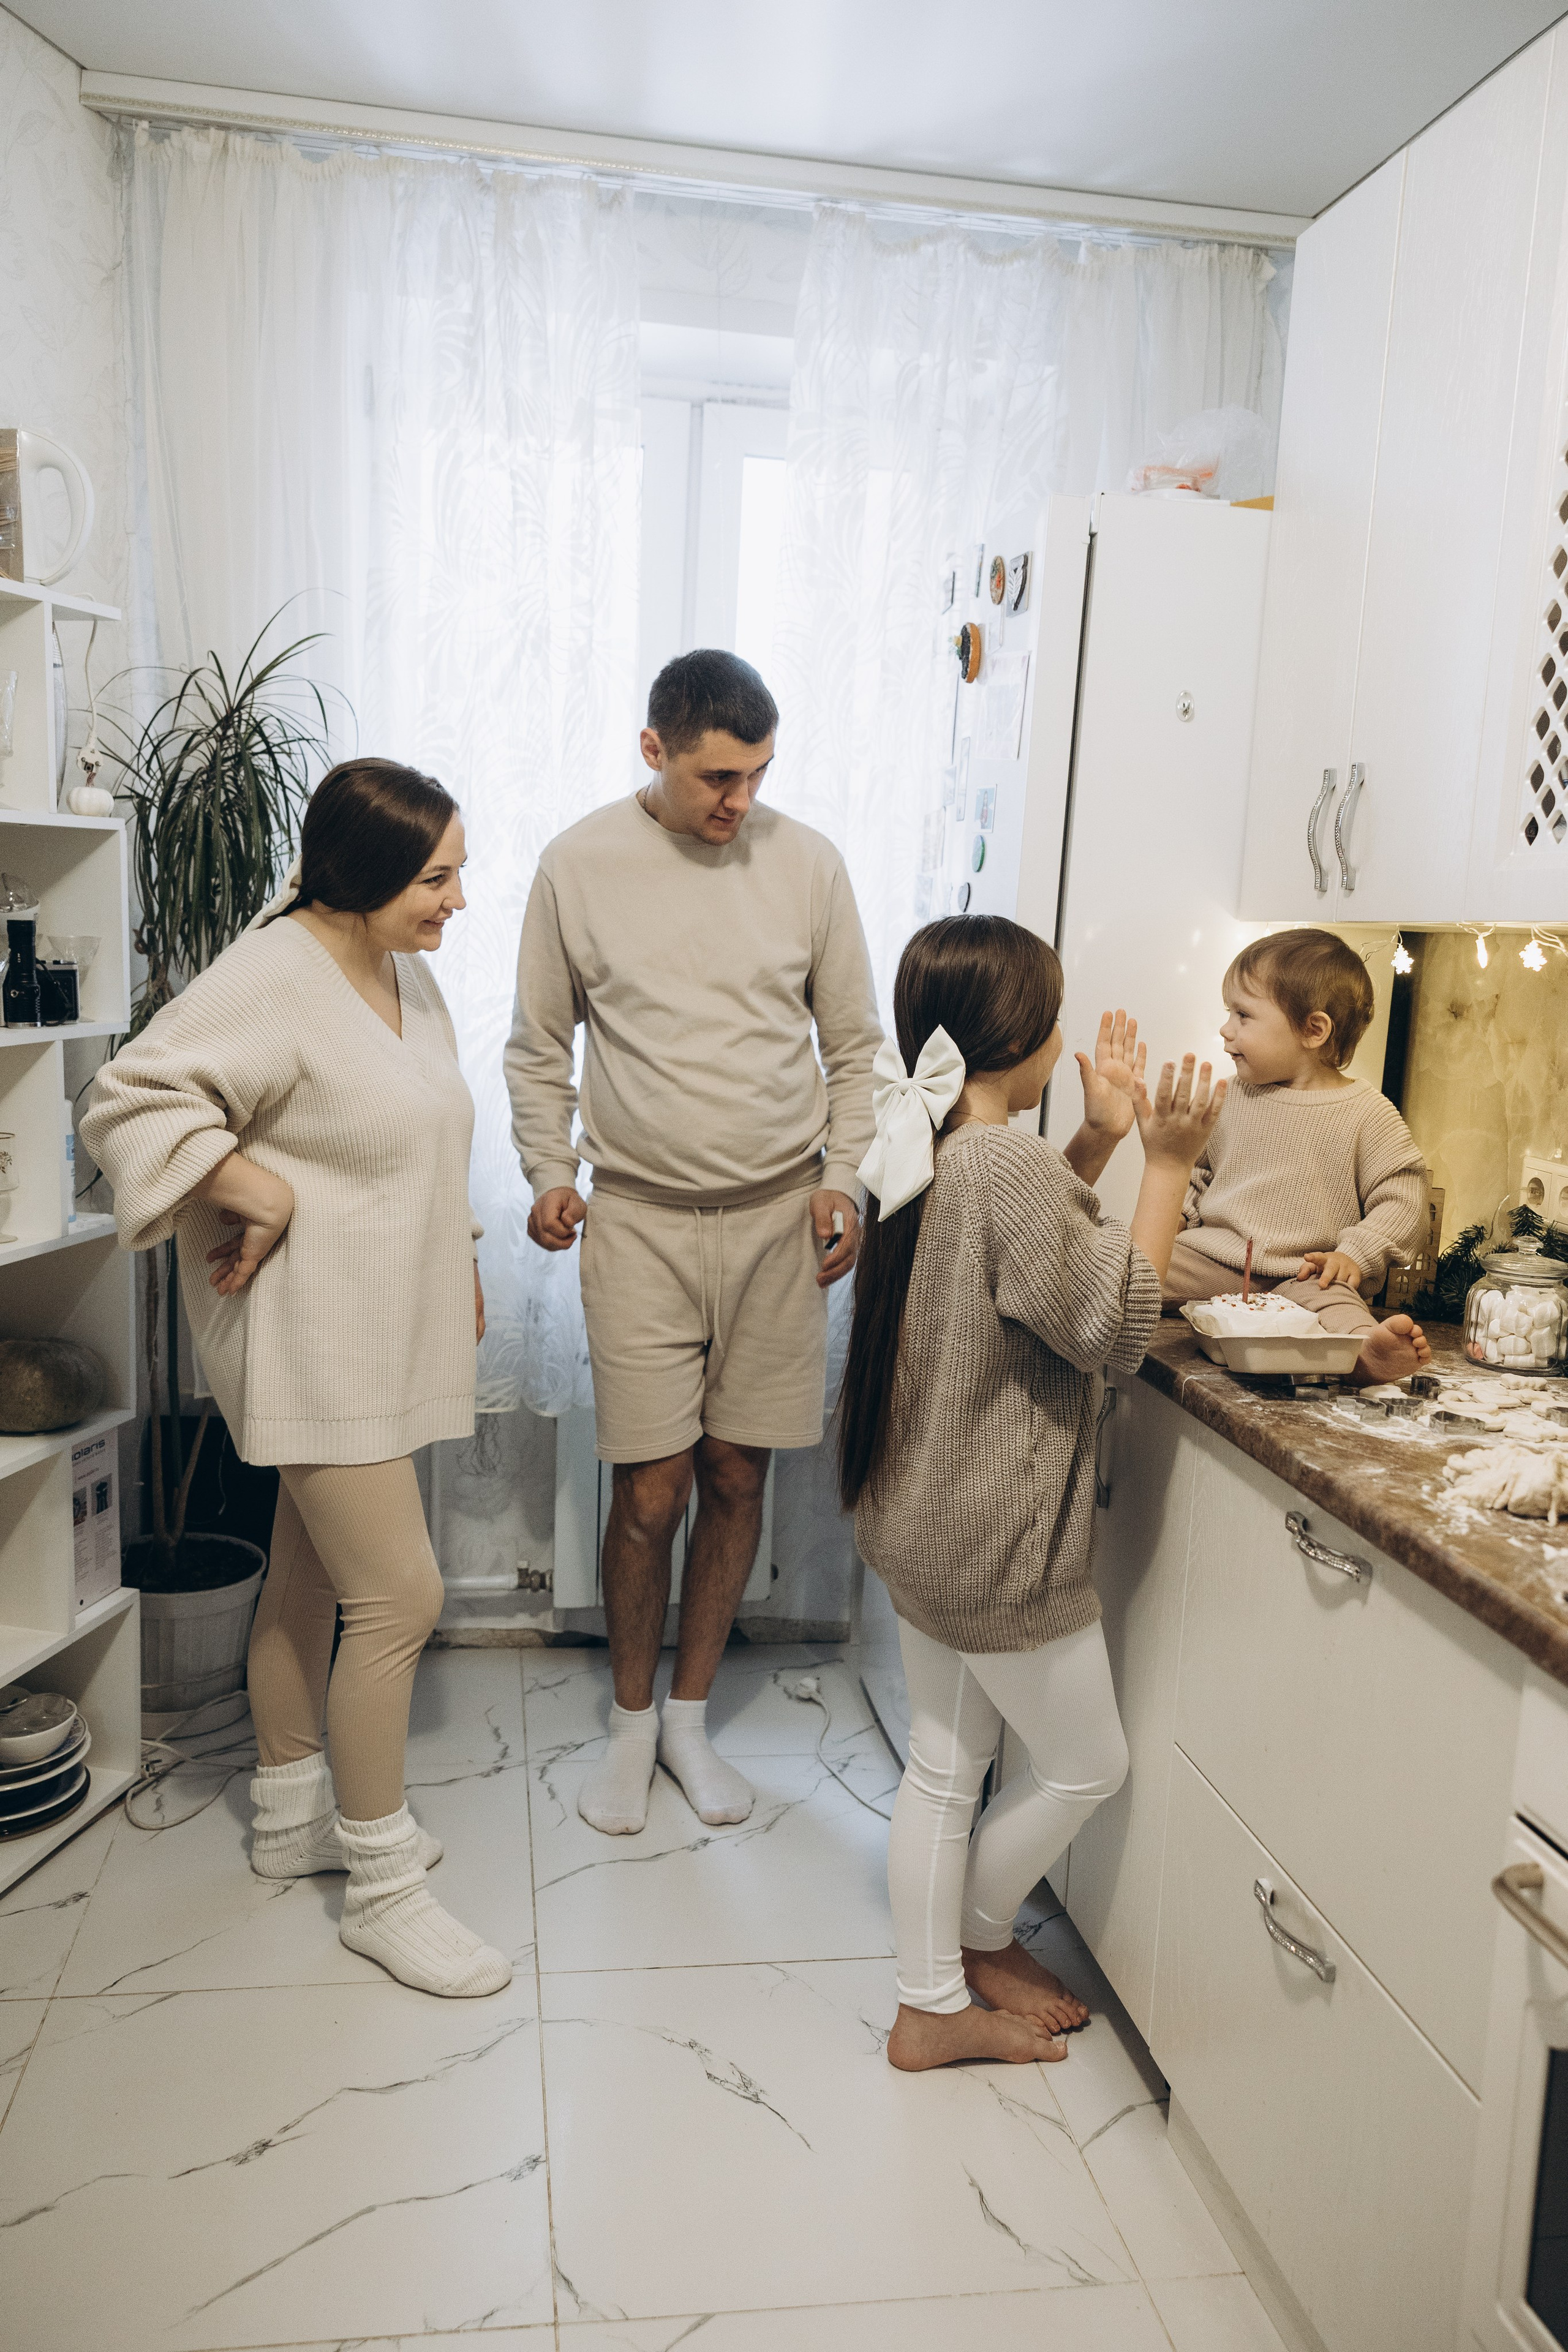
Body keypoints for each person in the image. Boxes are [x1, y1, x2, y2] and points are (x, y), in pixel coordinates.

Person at [81, 758, 509, 2000]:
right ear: (367, 876)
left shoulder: (398, 970)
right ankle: (381, 1888)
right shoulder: (275, 972)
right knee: (401, 1594)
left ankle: (288, 1815)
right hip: (314, 1335)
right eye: (439, 877)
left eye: (459, 870)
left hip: (378, 1316)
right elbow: (131, 1093)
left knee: (315, 1568)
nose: (458, 900)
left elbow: (413, 1135)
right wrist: (251, 1187)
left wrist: (459, 1259)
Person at [505, 649, 882, 1836]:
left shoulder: (808, 863)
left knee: (735, 1475)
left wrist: (842, 1183)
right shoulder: (576, 863)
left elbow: (854, 1048)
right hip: (641, 1224)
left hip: (779, 1222)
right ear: (652, 750)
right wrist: (547, 1174)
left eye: (759, 775)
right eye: (719, 777)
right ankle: (626, 1729)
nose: (740, 802)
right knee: (651, 1489)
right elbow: (534, 1048)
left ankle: (687, 1717)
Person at [839, 914, 1224, 2070]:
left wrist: (1099, 1148)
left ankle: (932, 1999)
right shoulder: (995, 1158)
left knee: (943, 1768)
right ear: (1020, 1038)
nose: (1069, 1035)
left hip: (921, 1518)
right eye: (1056, 1015)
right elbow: (1110, 1322)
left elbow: (1012, 1261)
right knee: (1085, 1765)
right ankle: (972, 1939)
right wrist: (1166, 1161)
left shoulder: (941, 1142)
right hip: (993, 1540)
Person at [1159, 926, 1431, 1382]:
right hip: (1215, 1260)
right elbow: (1199, 1174)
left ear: (1314, 1030)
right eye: (1230, 1012)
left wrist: (1354, 1256)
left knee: (1344, 1316)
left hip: (1309, 1277)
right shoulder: (1229, 1097)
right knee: (1135, 1276)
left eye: (1243, 1015)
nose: (1226, 1030)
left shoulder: (1369, 1113)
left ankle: (1372, 1355)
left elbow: (1405, 1199)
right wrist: (1176, 1219)